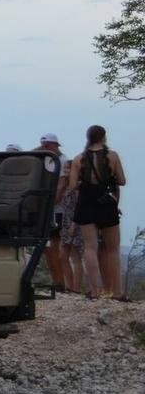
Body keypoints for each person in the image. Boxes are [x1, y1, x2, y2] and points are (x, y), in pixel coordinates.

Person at [68, 125, 128, 300]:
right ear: (103, 137)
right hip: (106, 202)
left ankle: (94, 291)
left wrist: (83, 184)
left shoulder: (79, 159)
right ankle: (117, 292)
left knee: (90, 247)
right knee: (113, 249)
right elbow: (122, 181)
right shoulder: (112, 156)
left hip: (86, 202)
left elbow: (72, 186)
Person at [35, 133, 70, 292]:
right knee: (49, 248)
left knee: (57, 246)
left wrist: (51, 201)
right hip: (48, 207)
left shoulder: (61, 161)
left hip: (57, 209)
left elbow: (62, 185)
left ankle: (62, 282)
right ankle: (57, 281)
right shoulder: (46, 159)